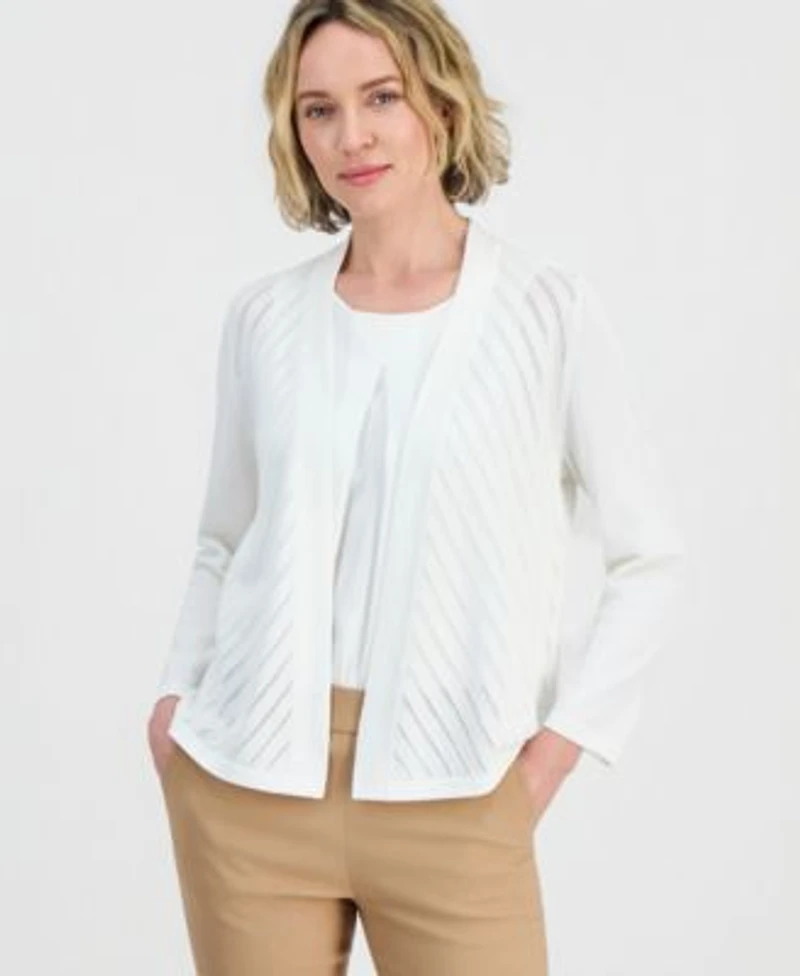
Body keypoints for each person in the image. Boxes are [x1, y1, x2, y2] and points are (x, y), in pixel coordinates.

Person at [147, 1, 686, 973]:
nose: (349, 136)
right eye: (318, 109)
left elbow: (647, 557)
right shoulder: (263, 319)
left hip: (458, 792)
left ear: (440, 103)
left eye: (381, 97)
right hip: (247, 785)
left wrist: (558, 748)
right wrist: (176, 702)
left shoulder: (546, 313)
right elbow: (223, 536)